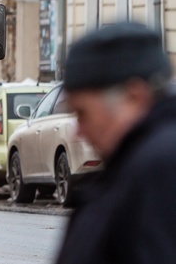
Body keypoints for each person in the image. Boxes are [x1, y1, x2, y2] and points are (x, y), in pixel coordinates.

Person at [54, 22, 176, 264]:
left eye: (83, 113)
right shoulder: (133, 166)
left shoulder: (160, 168)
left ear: (133, 97)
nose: (78, 132)